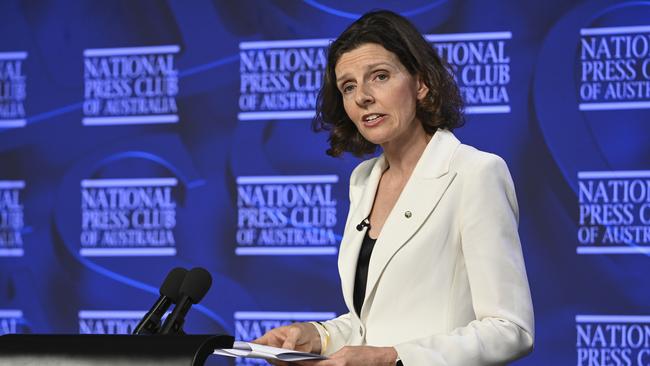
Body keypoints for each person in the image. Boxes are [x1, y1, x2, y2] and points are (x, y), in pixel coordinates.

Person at [255, 10, 534, 365]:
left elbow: (510, 329)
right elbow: (373, 324)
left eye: (380, 77)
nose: (363, 97)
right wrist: (316, 336)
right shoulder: (363, 180)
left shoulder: (474, 173)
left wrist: (393, 358)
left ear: (421, 83)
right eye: (349, 86)